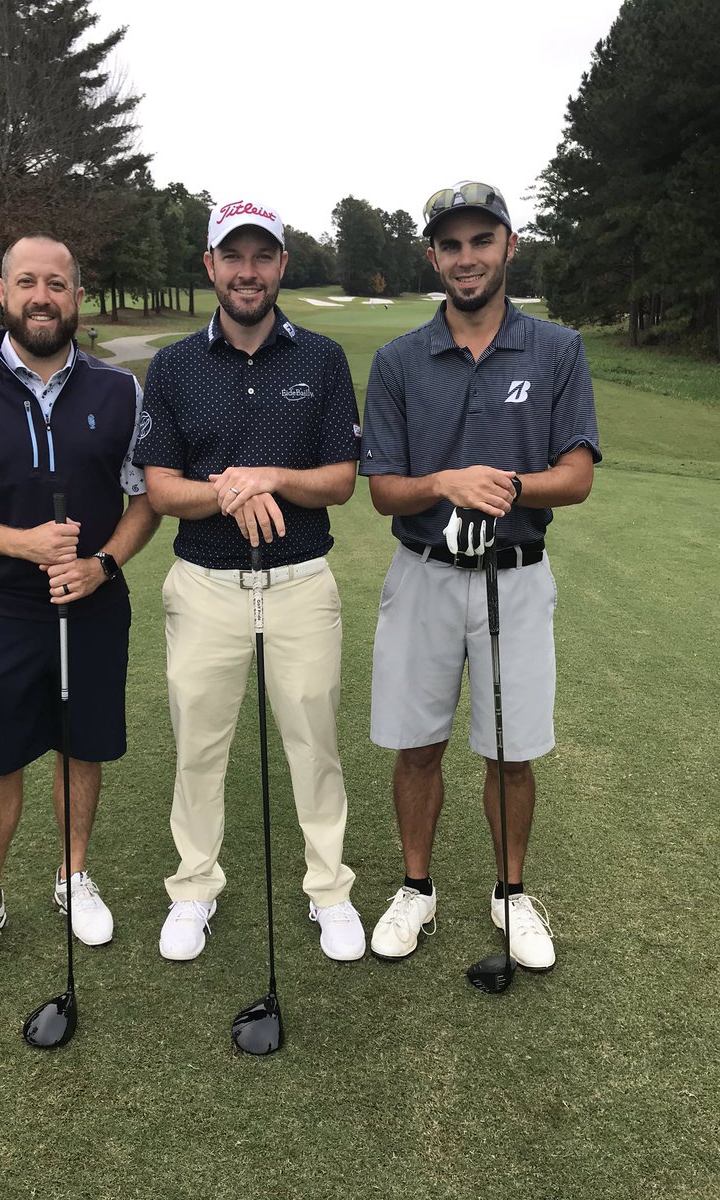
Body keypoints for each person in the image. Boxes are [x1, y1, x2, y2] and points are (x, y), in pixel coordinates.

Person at [360, 181, 600, 970]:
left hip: (517, 575)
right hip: (423, 573)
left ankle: (510, 893)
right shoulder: (399, 360)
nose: (467, 258)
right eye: (451, 245)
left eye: (481, 241)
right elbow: (384, 489)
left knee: (512, 750)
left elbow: (576, 475)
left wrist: (507, 485)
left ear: (509, 246)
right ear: (434, 257)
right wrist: (444, 482)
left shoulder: (556, 349)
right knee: (416, 746)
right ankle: (416, 888)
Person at [0, 234, 159, 982]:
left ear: (77, 296)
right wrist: (22, 545)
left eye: (57, 283)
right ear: (3, 292)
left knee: (81, 747)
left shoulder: (120, 391)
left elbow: (145, 499)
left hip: (94, 605)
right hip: (3, 610)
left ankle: (73, 876)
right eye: (27, 282)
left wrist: (102, 565)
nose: (42, 297)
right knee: (1, 757)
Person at [135, 198, 365, 962]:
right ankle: (194, 887)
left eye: (262, 255)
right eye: (232, 256)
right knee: (198, 749)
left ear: (282, 266)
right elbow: (161, 487)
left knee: (315, 744)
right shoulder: (173, 366)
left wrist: (267, 476)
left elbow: (340, 479)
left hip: (300, 583)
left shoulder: (321, 358)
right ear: (210, 265)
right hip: (205, 586)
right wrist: (230, 491)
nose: (247, 271)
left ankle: (329, 889)